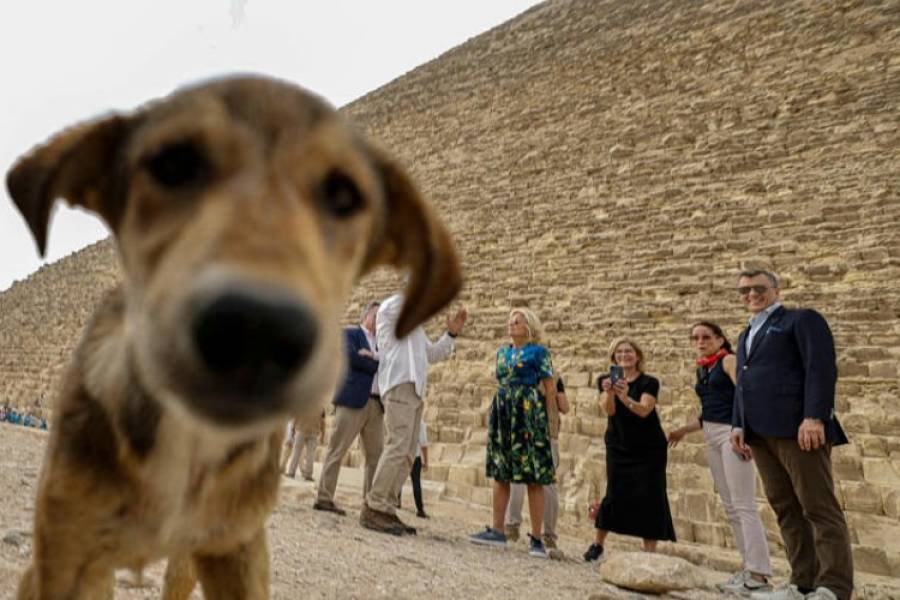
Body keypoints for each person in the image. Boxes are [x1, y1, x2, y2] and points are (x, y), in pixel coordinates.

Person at [729, 270, 852, 600]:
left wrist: (814, 416)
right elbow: (744, 383)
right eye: (744, 290)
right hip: (759, 433)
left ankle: (834, 587)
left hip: (798, 429)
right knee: (785, 507)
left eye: (759, 288)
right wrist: (738, 423)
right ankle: (802, 583)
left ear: (776, 289)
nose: (751, 295)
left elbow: (821, 368)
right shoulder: (745, 334)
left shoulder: (801, 320)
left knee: (818, 507)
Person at [668, 322, 773, 594]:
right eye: (695, 337)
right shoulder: (703, 367)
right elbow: (710, 411)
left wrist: (744, 430)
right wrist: (684, 430)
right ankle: (748, 567)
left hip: (732, 433)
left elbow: (744, 395)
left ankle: (759, 574)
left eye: (706, 337)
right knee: (730, 506)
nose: (700, 341)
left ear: (720, 339)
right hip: (712, 434)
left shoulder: (728, 361)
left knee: (744, 504)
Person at [360, 293, 467, 535]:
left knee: (408, 453)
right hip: (399, 384)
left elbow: (432, 354)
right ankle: (375, 505)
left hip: (415, 390)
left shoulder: (416, 330)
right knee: (397, 445)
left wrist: (450, 335)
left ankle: (386, 508)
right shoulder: (389, 310)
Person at [470, 308, 556, 559]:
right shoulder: (502, 352)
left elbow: (549, 389)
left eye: (517, 321)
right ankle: (498, 530)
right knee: (501, 471)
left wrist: (548, 424)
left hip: (528, 413)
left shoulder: (539, 352)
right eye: (509, 321)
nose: (511, 325)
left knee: (534, 477)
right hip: (504, 411)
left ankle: (537, 539)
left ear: (529, 326)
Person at [584, 338, 676, 562]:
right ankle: (598, 545)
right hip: (619, 444)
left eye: (629, 351)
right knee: (614, 491)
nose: (624, 355)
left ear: (638, 356)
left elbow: (645, 410)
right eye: (619, 352)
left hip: (649, 447)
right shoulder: (605, 380)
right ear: (613, 356)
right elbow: (609, 410)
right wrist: (611, 394)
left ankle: (650, 553)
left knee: (651, 495)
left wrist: (626, 397)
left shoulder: (649, 382)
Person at [314, 301, 384, 516]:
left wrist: (372, 357)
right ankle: (324, 497)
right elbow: (352, 359)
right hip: (352, 400)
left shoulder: (382, 343)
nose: (380, 319)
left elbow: (389, 364)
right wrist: (376, 363)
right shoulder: (350, 334)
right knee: (337, 450)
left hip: (376, 404)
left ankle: (370, 503)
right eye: (376, 315)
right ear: (366, 316)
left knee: (376, 456)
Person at [505, 372, 569, 550]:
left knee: (517, 479)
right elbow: (565, 407)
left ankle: (512, 526)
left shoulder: (517, 374)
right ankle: (549, 534)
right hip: (548, 434)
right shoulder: (554, 378)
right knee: (547, 484)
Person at [281, 410, 325, 480]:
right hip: (314, 432)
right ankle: (308, 475)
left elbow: (296, 416)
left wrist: (293, 429)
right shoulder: (320, 406)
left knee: (296, 452)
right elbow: (323, 421)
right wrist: (323, 434)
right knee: (310, 455)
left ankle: (291, 473)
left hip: (301, 429)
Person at [400, 418, 430, 518]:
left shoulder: (404, 419)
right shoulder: (420, 423)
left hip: (402, 454)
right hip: (414, 456)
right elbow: (424, 444)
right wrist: (426, 461)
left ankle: (396, 501)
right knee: (416, 483)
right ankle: (420, 509)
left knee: (398, 480)